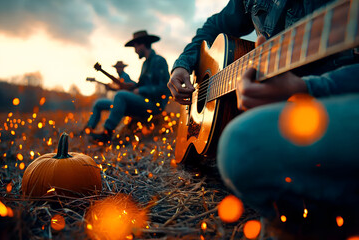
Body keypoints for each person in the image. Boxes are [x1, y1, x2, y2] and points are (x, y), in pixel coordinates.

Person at [168, 0, 359, 239]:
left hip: (340, 95)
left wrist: (307, 88)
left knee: (240, 145)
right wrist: (182, 65)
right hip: (289, 114)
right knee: (242, 148)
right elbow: (214, 25)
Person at [88, 30, 171, 143]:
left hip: (153, 105)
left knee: (120, 95)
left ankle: (107, 133)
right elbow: (141, 84)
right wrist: (133, 87)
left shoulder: (159, 61)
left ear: (142, 44)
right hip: (140, 102)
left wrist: (140, 89)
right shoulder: (145, 64)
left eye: (135, 47)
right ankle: (88, 130)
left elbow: (164, 88)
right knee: (99, 103)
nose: (135, 51)